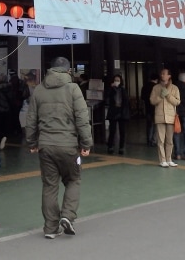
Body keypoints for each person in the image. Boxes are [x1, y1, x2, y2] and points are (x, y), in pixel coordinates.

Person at [26, 56, 93, 239]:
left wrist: (32, 143)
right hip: (68, 145)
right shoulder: (73, 89)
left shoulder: (39, 90)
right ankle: (67, 216)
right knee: (74, 179)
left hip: (46, 146)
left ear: (50, 70)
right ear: (68, 71)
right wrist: (86, 143)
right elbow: (82, 118)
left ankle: (50, 228)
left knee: (49, 186)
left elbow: (30, 119)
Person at [150, 68, 181, 167]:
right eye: (161, 73)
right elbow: (152, 101)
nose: (162, 75)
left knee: (169, 140)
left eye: (164, 73)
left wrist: (168, 96)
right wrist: (160, 97)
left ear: (169, 76)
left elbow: (177, 102)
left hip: (171, 117)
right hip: (159, 117)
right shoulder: (156, 88)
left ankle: (169, 159)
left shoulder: (175, 88)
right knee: (160, 140)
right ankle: (162, 160)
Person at [105, 74, 130, 154]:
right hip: (113, 112)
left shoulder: (123, 89)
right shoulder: (110, 89)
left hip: (122, 112)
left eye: (118, 80)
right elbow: (106, 96)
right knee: (112, 130)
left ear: (121, 81)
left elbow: (126, 100)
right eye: (115, 80)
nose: (116, 82)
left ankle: (121, 147)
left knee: (122, 131)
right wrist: (111, 87)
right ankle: (110, 146)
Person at [140, 74, 159, 146]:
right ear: (156, 79)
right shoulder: (156, 87)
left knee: (149, 125)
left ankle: (148, 140)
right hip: (155, 108)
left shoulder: (145, 86)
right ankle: (154, 140)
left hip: (147, 108)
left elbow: (142, 97)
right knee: (156, 125)